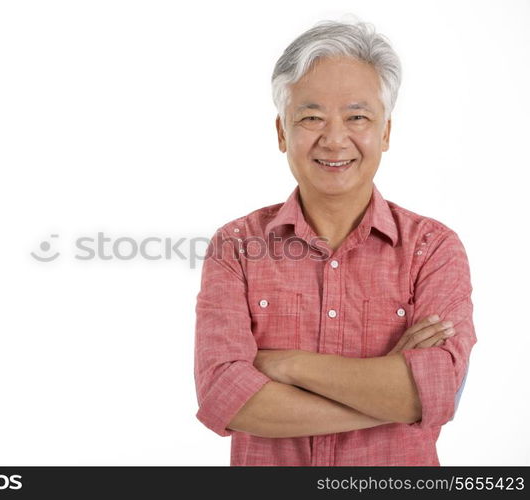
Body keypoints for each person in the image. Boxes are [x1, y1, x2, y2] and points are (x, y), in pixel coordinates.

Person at [193, 20, 476, 466]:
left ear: (384, 132)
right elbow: (226, 398)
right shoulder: (236, 246)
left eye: (357, 117)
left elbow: (436, 391)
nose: (335, 138)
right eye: (310, 118)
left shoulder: (433, 248)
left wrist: (286, 365)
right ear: (282, 133)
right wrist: (389, 395)